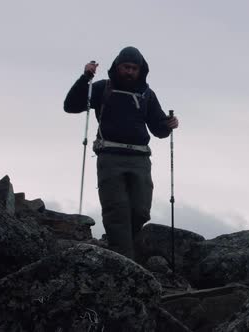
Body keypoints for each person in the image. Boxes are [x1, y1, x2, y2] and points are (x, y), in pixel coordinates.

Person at [64, 46, 179, 260]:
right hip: (110, 156)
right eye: (126, 67)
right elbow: (71, 106)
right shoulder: (102, 88)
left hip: (140, 158)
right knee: (116, 211)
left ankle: (120, 250)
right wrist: (85, 78)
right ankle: (125, 260)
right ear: (117, 67)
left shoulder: (146, 94)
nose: (129, 72)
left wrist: (168, 124)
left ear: (141, 70)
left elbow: (158, 128)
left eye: (134, 68)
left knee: (140, 210)